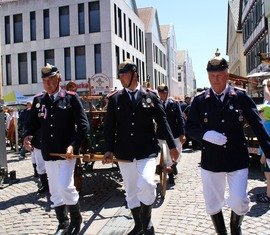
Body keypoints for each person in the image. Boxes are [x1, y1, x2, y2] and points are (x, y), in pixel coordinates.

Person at [185, 49, 270, 235]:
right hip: (212, 161)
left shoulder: (239, 97)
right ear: (208, 76)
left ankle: (235, 226)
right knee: (213, 203)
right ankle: (222, 232)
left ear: (226, 75)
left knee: (240, 201)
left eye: (220, 75)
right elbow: (190, 127)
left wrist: (269, 151)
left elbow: (257, 125)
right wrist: (205, 135)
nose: (216, 80)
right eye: (212, 76)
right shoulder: (200, 101)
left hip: (237, 158)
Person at [102, 59, 179, 235]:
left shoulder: (150, 96)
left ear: (135, 74)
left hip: (147, 150)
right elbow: (109, 127)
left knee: (147, 184)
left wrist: (172, 146)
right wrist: (108, 149)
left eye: (125, 74)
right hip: (124, 152)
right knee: (130, 191)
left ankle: (147, 222)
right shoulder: (115, 99)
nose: (121, 77)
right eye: (120, 74)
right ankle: (139, 225)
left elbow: (162, 121)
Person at [23, 63, 89, 235]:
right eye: (45, 80)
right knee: (54, 189)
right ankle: (63, 222)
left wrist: (73, 145)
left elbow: (83, 126)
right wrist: (27, 137)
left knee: (65, 186)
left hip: (67, 153)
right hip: (48, 152)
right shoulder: (39, 101)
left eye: (51, 79)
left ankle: (76, 218)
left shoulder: (71, 98)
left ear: (59, 78)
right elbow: (30, 125)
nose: (48, 83)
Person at [156, 83, 186, 184]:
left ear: (167, 93)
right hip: (161, 134)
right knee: (166, 156)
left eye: (164, 93)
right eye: (160, 93)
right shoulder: (156, 103)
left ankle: (173, 166)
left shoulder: (174, 103)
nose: (162, 95)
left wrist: (182, 133)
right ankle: (170, 175)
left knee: (178, 154)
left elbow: (180, 119)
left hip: (174, 134)